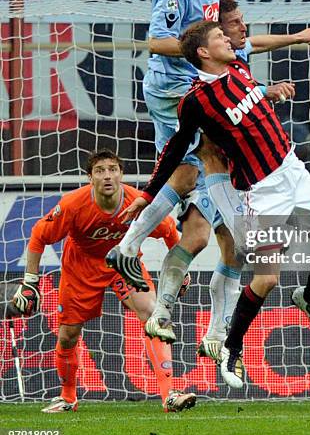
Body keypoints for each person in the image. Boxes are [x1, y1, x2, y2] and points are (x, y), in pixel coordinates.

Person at [109, 0, 310, 363]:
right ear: (215, 39)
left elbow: (255, 46)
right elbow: (180, 140)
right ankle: (148, 277)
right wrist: (146, 193)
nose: (243, 30)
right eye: (235, 24)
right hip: (225, 178)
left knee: (210, 241)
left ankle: (209, 330)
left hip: (246, 176)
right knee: (235, 244)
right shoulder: (199, 94)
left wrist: (296, 40)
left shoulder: (238, 66)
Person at [12, 149, 195, 413]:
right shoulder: (73, 205)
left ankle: (169, 394)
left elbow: (170, 232)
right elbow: (39, 235)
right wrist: (30, 282)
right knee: (68, 336)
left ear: (121, 174)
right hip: (80, 268)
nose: (107, 175)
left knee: (155, 315)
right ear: (90, 178)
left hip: (123, 264)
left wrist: (183, 270)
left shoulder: (138, 203)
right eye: (100, 170)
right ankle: (68, 397)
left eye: (113, 169)